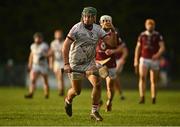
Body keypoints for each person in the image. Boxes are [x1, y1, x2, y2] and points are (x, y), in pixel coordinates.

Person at [62, 7, 111, 121]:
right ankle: (68, 100)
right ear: (82, 17)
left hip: (89, 62)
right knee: (76, 91)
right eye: (85, 16)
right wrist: (66, 64)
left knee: (98, 84)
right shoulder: (76, 28)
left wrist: (111, 30)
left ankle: (94, 112)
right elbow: (65, 46)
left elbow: (111, 42)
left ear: (94, 18)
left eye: (90, 17)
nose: (87, 19)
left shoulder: (98, 29)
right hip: (76, 63)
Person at [95, 15, 126, 111]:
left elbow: (120, 46)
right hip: (99, 62)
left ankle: (109, 101)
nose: (105, 22)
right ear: (100, 22)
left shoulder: (114, 33)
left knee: (110, 86)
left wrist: (113, 51)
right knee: (97, 84)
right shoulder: (96, 33)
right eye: (103, 20)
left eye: (108, 20)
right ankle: (98, 101)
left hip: (110, 63)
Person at [134, 19, 165, 104]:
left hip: (154, 60)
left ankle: (153, 97)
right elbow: (138, 48)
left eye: (152, 25)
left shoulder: (158, 35)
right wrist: (135, 60)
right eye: (148, 24)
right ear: (146, 25)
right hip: (144, 58)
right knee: (142, 77)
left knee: (153, 80)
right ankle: (142, 97)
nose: (150, 26)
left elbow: (162, 47)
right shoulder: (142, 35)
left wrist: (158, 55)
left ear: (154, 26)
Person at [25, 32, 50, 99]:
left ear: (41, 39)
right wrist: (29, 64)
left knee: (45, 80)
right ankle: (31, 93)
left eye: (39, 38)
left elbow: (49, 53)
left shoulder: (44, 45)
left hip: (43, 65)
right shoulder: (32, 46)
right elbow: (31, 55)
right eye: (37, 38)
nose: (38, 39)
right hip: (35, 65)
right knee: (32, 79)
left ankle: (46, 94)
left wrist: (44, 56)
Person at [49, 29, 65, 96]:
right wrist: (51, 63)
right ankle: (61, 89)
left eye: (59, 34)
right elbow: (51, 54)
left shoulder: (64, 42)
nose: (58, 36)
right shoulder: (53, 43)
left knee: (60, 76)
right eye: (57, 34)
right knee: (58, 77)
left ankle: (61, 90)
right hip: (56, 62)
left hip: (63, 61)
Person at [114, 34, 128, 101]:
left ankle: (120, 93)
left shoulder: (119, 41)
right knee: (113, 77)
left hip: (118, 60)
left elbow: (125, 51)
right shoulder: (105, 40)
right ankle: (120, 94)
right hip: (110, 61)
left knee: (114, 75)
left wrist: (122, 59)